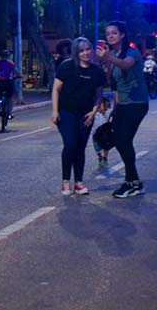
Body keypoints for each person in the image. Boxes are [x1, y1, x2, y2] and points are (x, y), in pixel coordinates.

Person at [97, 21, 149, 198]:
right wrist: (115, 109)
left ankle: (132, 182)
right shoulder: (111, 54)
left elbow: (126, 65)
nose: (110, 36)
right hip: (123, 104)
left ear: (122, 35)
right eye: (108, 33)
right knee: (121, 141)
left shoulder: (131, 52)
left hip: (137, 103)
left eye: (114, 33)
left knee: (122, 140)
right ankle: (133, 182)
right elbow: (117, 86)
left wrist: (108, 59)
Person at [51, 37, 105, 195]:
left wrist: (94, 112)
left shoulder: (96, 71)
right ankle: (65, 181)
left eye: (88, 49)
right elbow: (56, 89)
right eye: (81, 50)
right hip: (66, 112)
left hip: (86, 114)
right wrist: (54, 111)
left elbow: (98, 95)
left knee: (80, 147)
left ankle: (79, 182)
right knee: (70, 144)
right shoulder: (67, 66)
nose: (85, 53)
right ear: (76, 52)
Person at [0, 50, 19, 132]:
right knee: (11, 97)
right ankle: (9, 113)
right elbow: (16, 72)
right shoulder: (11, 63)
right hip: (8, 82)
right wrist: (18, 76)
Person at [91, 97, 112, 169]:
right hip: (96, 135)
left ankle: (105, 158)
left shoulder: (106, 115)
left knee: (106, 146)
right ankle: (100, 157)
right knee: (97, 149)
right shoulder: (94, 115)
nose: (106, 108)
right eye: (104, 106)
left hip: (104, 134)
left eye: (107, 106)